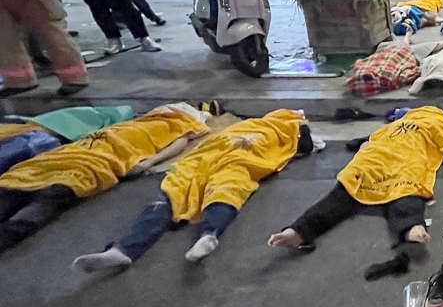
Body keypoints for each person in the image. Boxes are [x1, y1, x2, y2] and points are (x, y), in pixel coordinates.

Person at [73, 110, 316, 271]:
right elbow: (302, 146)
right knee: (201, 189)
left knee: (216, 187)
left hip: (238, 156)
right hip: (215, 155)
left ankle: (205, 235)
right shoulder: (270, 125)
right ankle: (123, 250)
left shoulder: (281, 126)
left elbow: (297, 145)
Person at [0, 104, 210, 253]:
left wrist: (149, 162)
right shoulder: (136, 122)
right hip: (64, 161)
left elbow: (182, 140)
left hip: (83, 166)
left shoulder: (179, 123)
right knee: (22, 196)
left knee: (30, 205)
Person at [267, 106, 443, 255]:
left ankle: (411, 227)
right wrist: (363, 154)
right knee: (343, 191)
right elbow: (371, 141)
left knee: (406, 191)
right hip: (376, 158)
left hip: (407, 158)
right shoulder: (393, 126)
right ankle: (299, 231)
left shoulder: (436, 124)